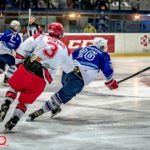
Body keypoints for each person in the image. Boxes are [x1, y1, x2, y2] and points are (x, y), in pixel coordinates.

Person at [0, 22, 70, 131]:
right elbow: (68, 68)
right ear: (60, 33)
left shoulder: (40, 37)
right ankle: (13, 121)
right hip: (42, 78)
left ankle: (6, 104)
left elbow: (22, 50)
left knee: (14, 88)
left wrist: (20, 61)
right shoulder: (65, 49)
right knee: (24, 102)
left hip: (28, 67)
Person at [28, 37, 119, 121]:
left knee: (65, 88)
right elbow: (107, 69)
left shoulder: (82, 49)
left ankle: (55, 106)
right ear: (102, 46)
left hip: (67, 71)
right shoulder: (103, 54)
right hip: (80, 76)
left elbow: (69, 58)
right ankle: (43, 109)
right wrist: (110, 81)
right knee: (65, 94)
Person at [0, 20, 21, 85]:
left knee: (1, 69)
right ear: (12, 26)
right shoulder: (7, 33)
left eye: (18, 26)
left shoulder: (18, 37)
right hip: (3, 53)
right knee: (13, 65)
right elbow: (1, 39)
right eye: (16, 26)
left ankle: (6, 78)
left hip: (5, 54)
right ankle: (7, 79)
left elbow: (16, 48)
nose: (17, 27)